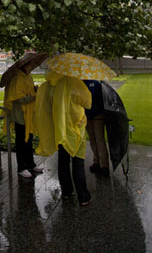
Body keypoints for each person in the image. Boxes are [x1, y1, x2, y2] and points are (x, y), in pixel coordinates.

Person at [34, 71, 92, 206]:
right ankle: (83, 197)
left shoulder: (48, 85)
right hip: (75, 129)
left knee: (63, 161)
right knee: (78, 162)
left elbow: (45, 106)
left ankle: (67, 191)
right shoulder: (75, 82)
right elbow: (87, 102)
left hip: (59, 130)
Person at [1, 52, 45, 179]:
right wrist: (34, 96)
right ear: (25, 65)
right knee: (21, 142)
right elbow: (18, 98)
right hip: (21, 116)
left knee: (28, 140)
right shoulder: (17, 78)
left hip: (29, 116)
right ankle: (22, 167)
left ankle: (31, 164)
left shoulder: (27, 77)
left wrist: (34, 89)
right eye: (30, 65)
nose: (32, 67)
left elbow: (27, 91)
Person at [83, 79, 110, 177]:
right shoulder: (80, 84)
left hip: (97, 115)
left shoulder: (96, 83)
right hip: (87, 116)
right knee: (92, 139)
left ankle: (104, 166)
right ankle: (96, 162)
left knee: (99, 139)